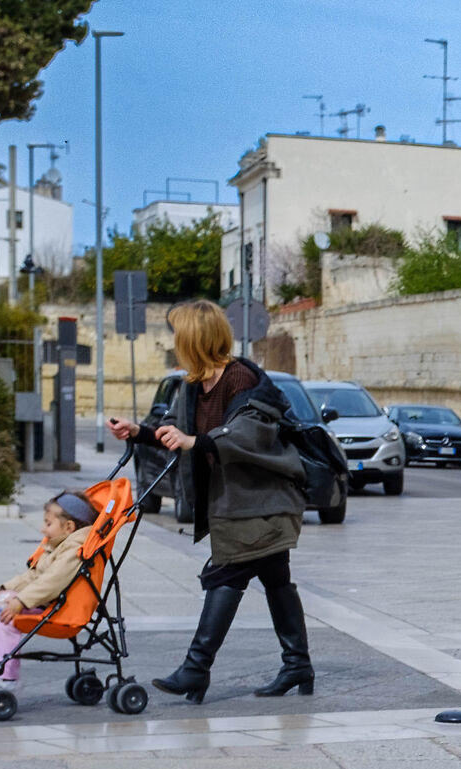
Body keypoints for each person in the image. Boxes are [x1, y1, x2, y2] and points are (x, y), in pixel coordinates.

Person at [107, 300, 316, 702]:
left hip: (264, 501)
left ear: (195, 339)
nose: (174, 342)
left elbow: (248, 434)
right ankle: (297, 665)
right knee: (276, 580)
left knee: (226, 576)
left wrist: (195, 441)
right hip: (237, 503)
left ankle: (196, 668)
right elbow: (176, 431)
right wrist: (139, 432)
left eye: (178, 335)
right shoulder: (192, 384)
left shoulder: (242, 379)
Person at [0, 492, 97, 687]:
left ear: (69, 527)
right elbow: (34, 575)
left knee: (7, 623)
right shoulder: (58, 545)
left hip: (51, 606)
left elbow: (51, 582)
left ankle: (7, 677)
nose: (42, 529)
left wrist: (20, 601)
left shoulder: (73, 552)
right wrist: (7, 589)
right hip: (39, 600)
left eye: (48, 523)